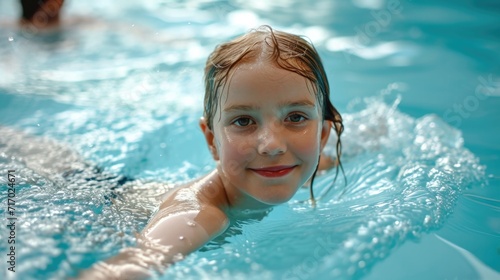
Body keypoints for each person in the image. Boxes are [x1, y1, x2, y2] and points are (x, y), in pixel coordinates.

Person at [78, 25, 344, 279]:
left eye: (296, 118)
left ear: (322, 135)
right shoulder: (199, 215)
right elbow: (130, 268)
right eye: (243, 121)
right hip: (93, 198)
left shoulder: (299, 166)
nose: (272, 145)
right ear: (211, 139)